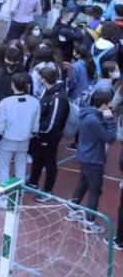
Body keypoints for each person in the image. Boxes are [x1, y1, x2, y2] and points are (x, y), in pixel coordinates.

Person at [67, 87, 116, 234]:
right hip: (93, 160)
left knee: (82, 184)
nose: (111, 106)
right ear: (103, 105)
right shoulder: (94, 121)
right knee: (95, 191)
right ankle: (89, 222)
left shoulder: (88, 114)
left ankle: (73, 209)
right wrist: (110, 119)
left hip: (84, 156)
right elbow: (110, 138)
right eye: (110, 104)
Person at [27, 66, 70, 200]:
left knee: (49, 162)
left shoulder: (58, 98)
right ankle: (33, 182)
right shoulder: (47, 91)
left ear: (44, 79)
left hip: (49, 137)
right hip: (40, 134)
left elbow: (52, 123)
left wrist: (36, 128)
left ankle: (47, 190)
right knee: (37, 158)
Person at [0, 73, 40, 184]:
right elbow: (35, 126)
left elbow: (0, 124)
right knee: (21, 166)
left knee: (4, 167)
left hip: (7, 140)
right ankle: (19, 193)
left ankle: (4, 195)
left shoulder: (5, 103)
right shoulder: (35, 102)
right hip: (25, 140)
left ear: (13, 85)